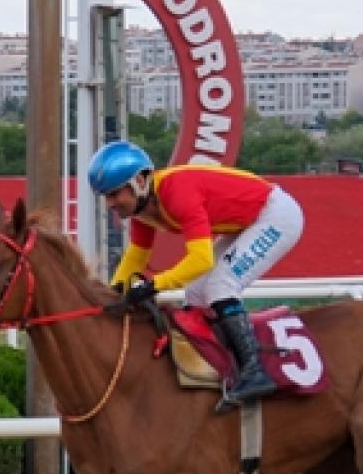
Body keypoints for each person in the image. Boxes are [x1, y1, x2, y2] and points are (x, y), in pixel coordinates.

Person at [87, 140, 305, 407]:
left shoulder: (177, 192)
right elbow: (137, 255)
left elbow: (200, 260)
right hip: (244, 222)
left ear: (140, 182)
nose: (110, 203)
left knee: (221, 286)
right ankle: (218, 368)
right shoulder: (141, 209)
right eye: (105, 196)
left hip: (275, 215)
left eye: (114, 194)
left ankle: (255, 371)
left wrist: (155, 284)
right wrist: (114, 294)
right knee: (196, 293)